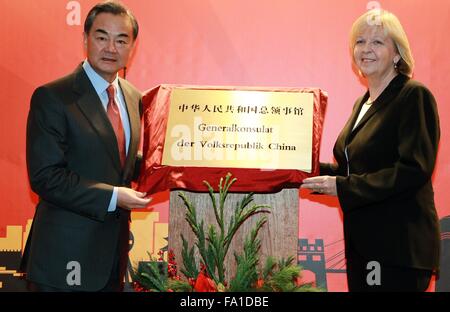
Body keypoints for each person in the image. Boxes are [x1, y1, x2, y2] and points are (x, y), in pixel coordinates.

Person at [301, 9, 440, 292]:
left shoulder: (413, 95)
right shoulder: (362, 104)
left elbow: (413, 170)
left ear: (398, 53)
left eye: (377, 42)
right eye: (359, 42)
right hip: (363, 246)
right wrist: (300, 167)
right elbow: (350, 171)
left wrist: (341, 186)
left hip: (397, 249)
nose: (366, 49)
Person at [21, 1, 152, 292]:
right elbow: (46, 176)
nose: (111, 48)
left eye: (121, 40)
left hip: (111, 259)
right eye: (101, 37)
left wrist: (168, 166)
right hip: (62, 260)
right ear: (85, 39)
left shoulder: (133, 97)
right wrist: (114, 196)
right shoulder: (53, 97)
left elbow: (120, 160)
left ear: (132, 47)